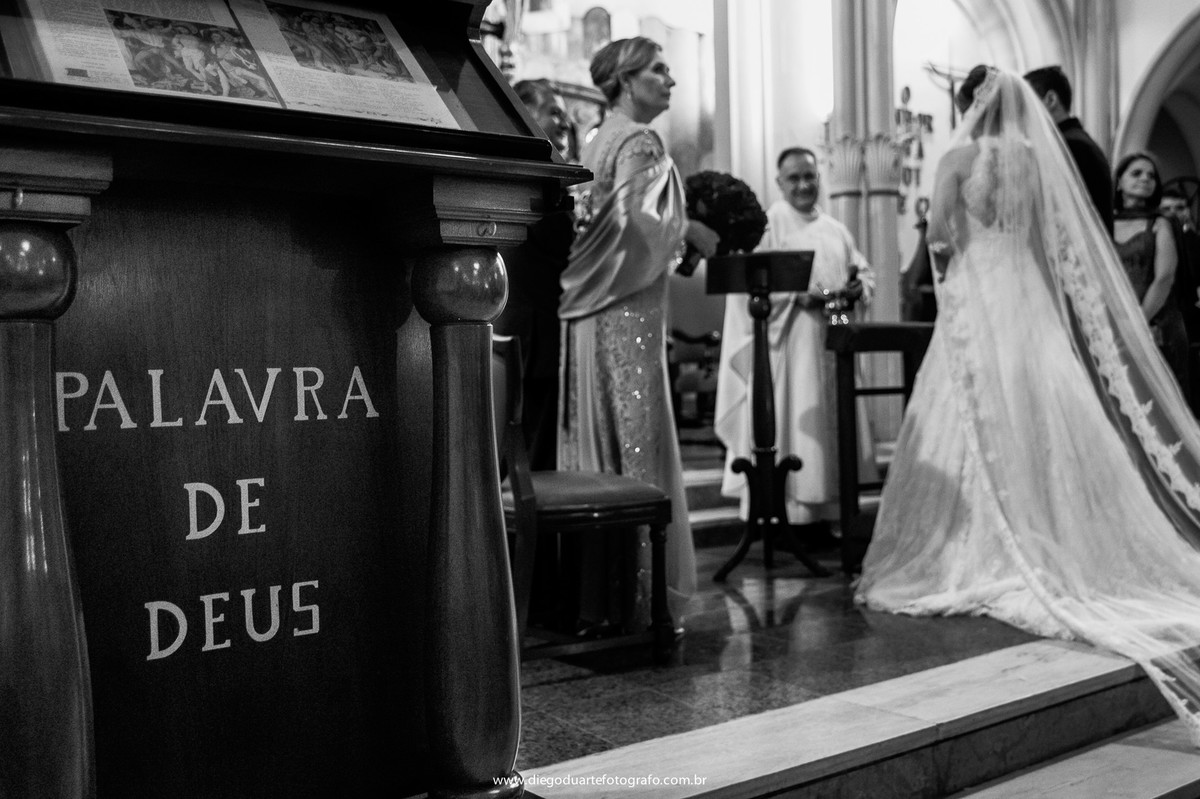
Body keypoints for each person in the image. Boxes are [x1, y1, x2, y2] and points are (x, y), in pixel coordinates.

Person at [857, 65, 1200, 744]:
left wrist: (953, 254)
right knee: (1049, 418)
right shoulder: (1039, 163)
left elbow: (939, 241)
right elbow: (1056, 247)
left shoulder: (958, 157)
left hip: (981, 298)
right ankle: (1063, 529)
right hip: (1032, 304)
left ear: (968, 108)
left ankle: (984, 543)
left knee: (974, 415)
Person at [559, 36, 719, 627]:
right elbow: (633, 228)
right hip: (625, 311)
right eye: (659, 70)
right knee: (635, 441)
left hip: (590, 307)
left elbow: (596, 222)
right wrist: (689, 232)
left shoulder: (597, 139)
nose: (671, 80)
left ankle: (601, 595)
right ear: (626, 79)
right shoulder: (641, 141)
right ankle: (639, 598)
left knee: (599, 438)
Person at [713, 147, 875, 532]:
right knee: (797, 420)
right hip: (792, 343)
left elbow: (864, 271)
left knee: (834, 421)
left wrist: (857, 288)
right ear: (779, 182)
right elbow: (752, 284)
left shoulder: (837, 229)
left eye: (810, 176)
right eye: (794, 178)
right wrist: (797, 295)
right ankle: (791, 515)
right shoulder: (770, 226)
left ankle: (831, 514)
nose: (803, 185)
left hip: (832, 333)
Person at [495, 79, 574, 471]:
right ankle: (531, 530)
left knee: (530, 446)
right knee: (533, 452)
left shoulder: (521, 166)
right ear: (526, 114)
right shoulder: (536, 172)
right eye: (554, 112)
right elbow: (558, 240)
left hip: (526, 325)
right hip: (535, 330)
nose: (565, 122)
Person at [1114, 152, 1190, 400]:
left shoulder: (1161, 222)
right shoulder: (1104, 221)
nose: (1145, 179)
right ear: (1119, 182)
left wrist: (1137, 322)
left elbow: (1164, 278)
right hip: (1117, 318)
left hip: (1156, 320)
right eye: (1136, 173)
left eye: (1151, 176)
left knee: (1159, 401)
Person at [1024, 65, 1113, 232]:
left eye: (1024, 105)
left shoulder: (1071, 146)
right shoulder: (1074, 140)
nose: (1020, 115)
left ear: (1050, 100)